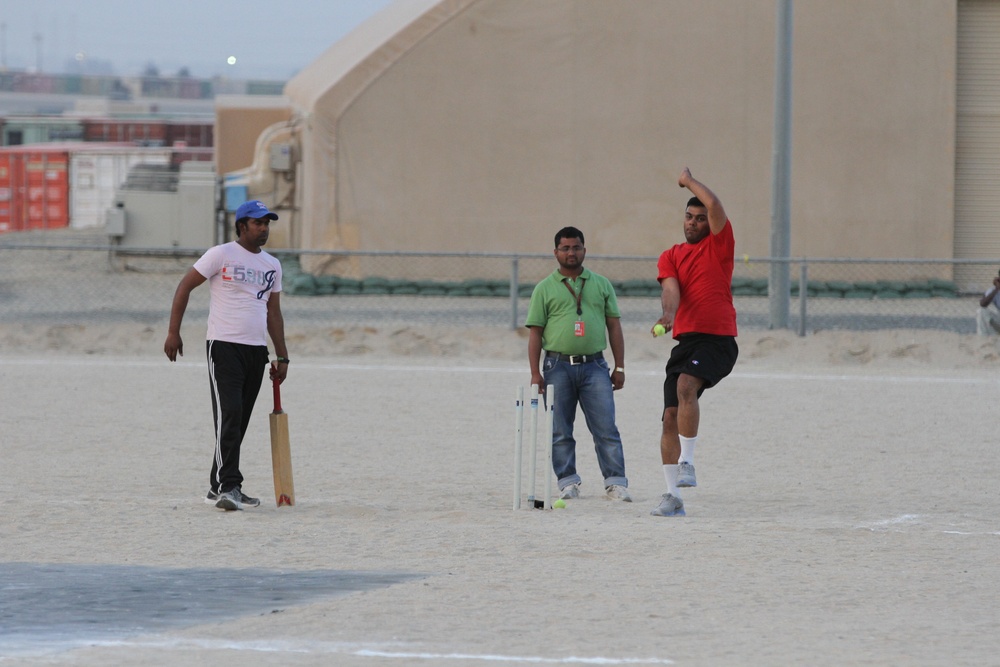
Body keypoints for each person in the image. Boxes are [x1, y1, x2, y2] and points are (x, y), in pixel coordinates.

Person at [164, 200, 289, 512]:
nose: (264, 228)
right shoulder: (220, 254)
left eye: (267, 223)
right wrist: (173, 331)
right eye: (258, 223)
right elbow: (184, 286)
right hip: (223, 346)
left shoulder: (272, 265)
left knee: (239, 420)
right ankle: (230, 486)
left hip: (256, 350)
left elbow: (273, 313)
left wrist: (282, 357)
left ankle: (216, 485)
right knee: (229, 414)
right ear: (242, 225)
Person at [650, 168, 739, 517]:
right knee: (669, 417)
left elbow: (714, 202)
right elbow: (671, 290)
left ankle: (688, 462)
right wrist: (668, 315)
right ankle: (673, 496)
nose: (693, 223)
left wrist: (688, 181)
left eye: (700, 218)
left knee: (687, 385)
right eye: (689, 217)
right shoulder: (670, 255)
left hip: (717, 341)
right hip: (685, 342)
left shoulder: (719, 245)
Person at [525, 226, 631, 502]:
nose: (571, 253)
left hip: (595, 366)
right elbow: (535, 332)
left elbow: (614, 326)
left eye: (576, 247)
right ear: (556, 252)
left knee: (606, 427)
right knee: (560, 429)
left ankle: (616, 483)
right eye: (565, 248)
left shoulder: (601, 284)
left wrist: (619, 366)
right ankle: (568, 482)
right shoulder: (544, 288)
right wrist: (535, 373)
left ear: (584, 250)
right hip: (556, 367)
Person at [976, 269, 1000, 336]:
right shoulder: (994, 290)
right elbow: (983, 304)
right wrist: (996, 289)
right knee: (981, 311)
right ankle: (983, 339)